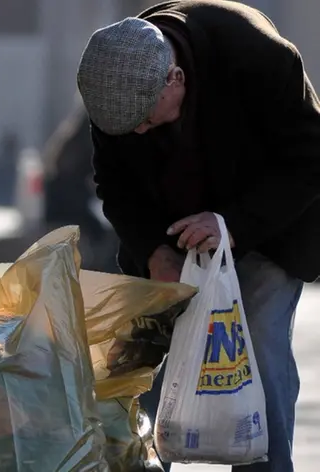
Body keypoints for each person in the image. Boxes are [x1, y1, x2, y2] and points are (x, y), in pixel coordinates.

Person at [76, 1, 320, 470]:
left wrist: (231, 225)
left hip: (265, 224)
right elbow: (115, 184)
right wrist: (153, 251)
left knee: (261, 350)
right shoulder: (115, 85)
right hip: (171, 231)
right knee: (137, 363)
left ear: (176, 79)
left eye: (147, 120)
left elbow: (310, 159)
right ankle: (136, 463)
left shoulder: (259, 56)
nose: (140, 131)